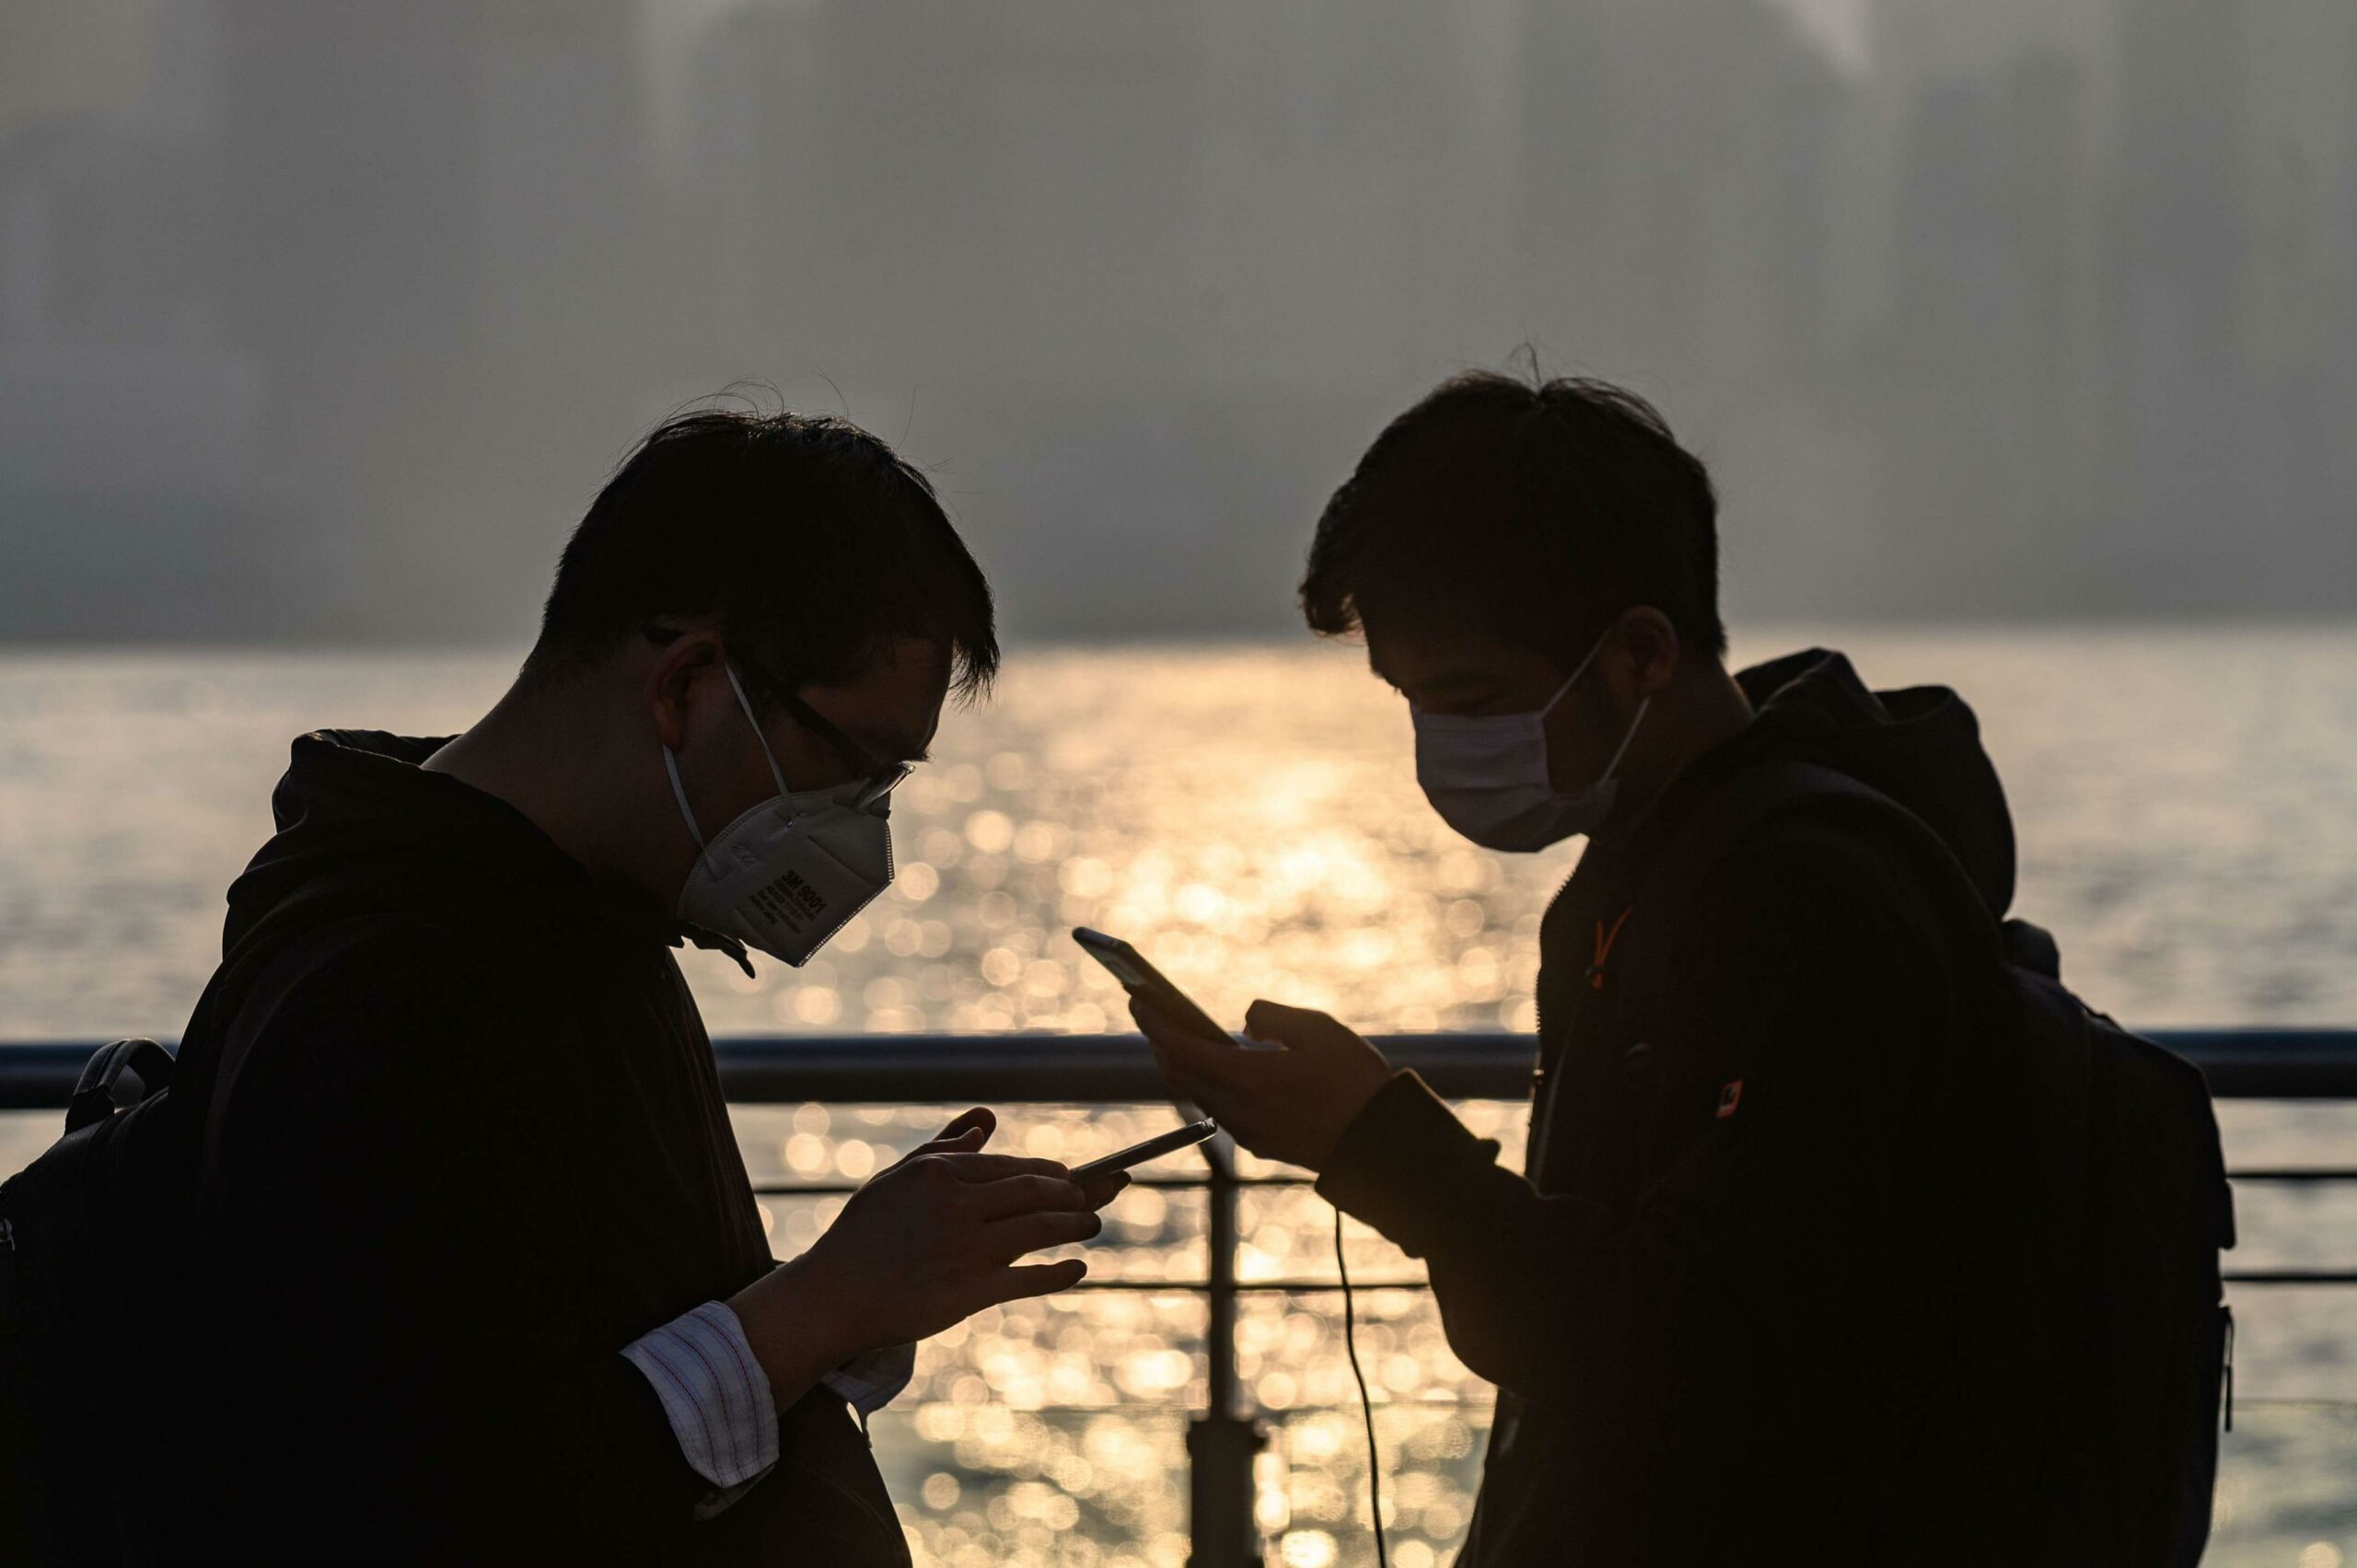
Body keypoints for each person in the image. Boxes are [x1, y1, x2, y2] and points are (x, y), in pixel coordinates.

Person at [1131, 370, 2056, 1563]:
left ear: (1638, 654)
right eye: (1411, 702)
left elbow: (1693, 1351)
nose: (1441, 748)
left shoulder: (1811, 898)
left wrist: (1373, 1139)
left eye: (1471, 698)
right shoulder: (1639, 881)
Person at [171, 409, 1120, 1564]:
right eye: (854, 766)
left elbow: (591, 1333)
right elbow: (440, 1496)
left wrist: (868, 1290)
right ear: (685, 685)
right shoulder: (386, 987)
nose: (864, 827)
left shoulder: (573, 921)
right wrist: (827, 1299)